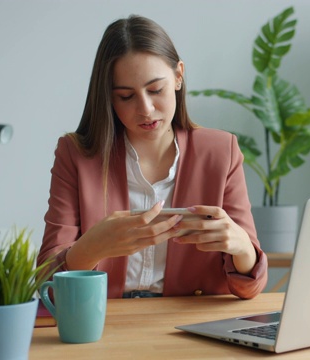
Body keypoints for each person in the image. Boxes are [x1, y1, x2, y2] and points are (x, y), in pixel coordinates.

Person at [37, 14, 268, 299]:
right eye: (126, 96)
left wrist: (241, 246)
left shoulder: (221, 151)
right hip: (103, 320)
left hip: (190, 326)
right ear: (109, 97)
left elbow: (251, 286)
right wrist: (93, 247)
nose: (145, 109)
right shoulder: (76, 155)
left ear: (178, 76)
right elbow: (47, 282)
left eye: (155, 89)